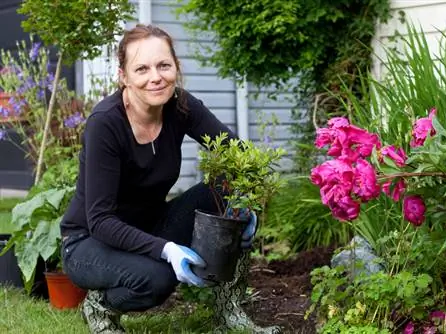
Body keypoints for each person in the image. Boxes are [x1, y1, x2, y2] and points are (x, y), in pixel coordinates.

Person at [60, 24, 281, 334]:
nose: (156, 77)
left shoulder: (180, 105)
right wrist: (168, 249)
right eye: (142, 69)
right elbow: (100, 220)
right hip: (90, 241)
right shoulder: (105, 124)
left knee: (225, 188)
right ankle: (100, 306)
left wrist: (244, 207)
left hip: (151, 224)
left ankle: (228, 314)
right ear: (124, 76)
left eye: (164, 65)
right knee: (157, 280)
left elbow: (239, 157)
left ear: (176, 66)